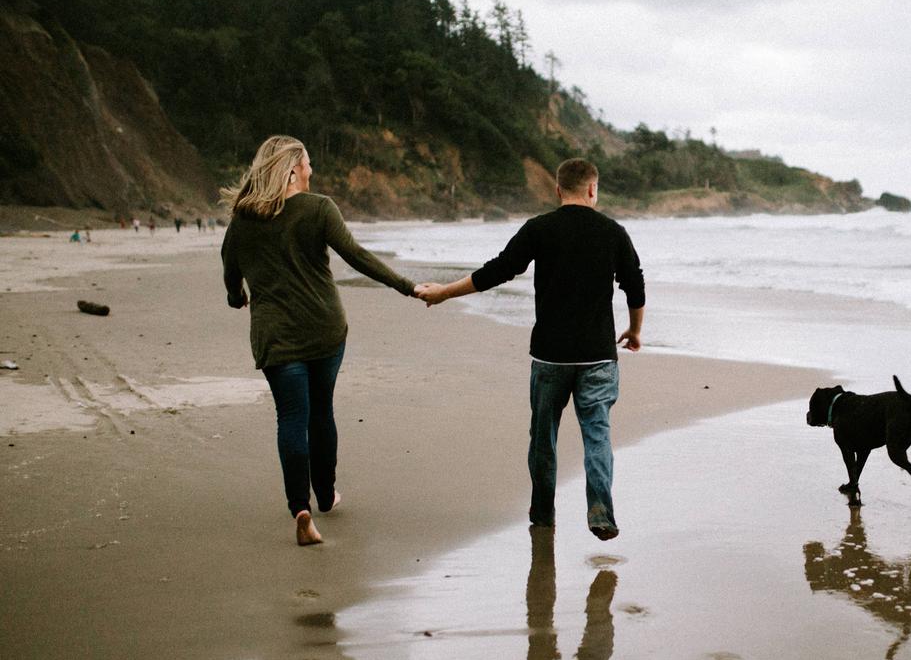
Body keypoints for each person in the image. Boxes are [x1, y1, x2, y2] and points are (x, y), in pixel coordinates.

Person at [417, 159, 645, 541]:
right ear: (593, 190)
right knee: (597, 434)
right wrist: (635, 331)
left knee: (543, 438)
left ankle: (542, 513)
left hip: (550, 356)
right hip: (597, 356)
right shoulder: (613, 232)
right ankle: (601, 512)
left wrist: (443, 293)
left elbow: (497, 270)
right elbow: (634, 286)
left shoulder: (539, 229)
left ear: (558, 190)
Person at [221, 134, 420, 546]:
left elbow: (230, 268)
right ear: (294, 169)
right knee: (321, 411)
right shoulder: (319, 209)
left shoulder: (242, 219)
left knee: (291, 417)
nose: (312, 170)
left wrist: (236, 296)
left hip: (275, 335)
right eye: (308, 163)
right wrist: (407, 287)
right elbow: (357, 256)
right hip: (324, 328)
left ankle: (302, 509)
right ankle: (327, 494)